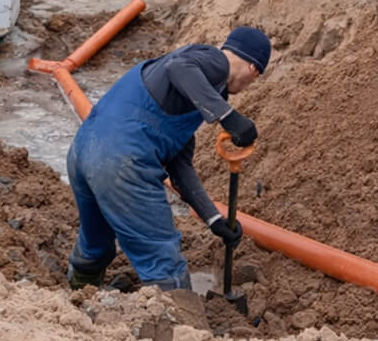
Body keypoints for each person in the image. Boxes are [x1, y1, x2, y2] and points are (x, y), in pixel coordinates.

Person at [66, 25, 271, 291]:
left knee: (96, 241)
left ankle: (79, 297)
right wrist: (228, 116)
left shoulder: (183, 100)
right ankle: (180, 326)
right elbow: (180, 67)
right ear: (253, 70)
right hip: (123, 163)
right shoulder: (214, 62)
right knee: (161, 257)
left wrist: (213, 219)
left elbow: (181, 169)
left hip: (82, 152)